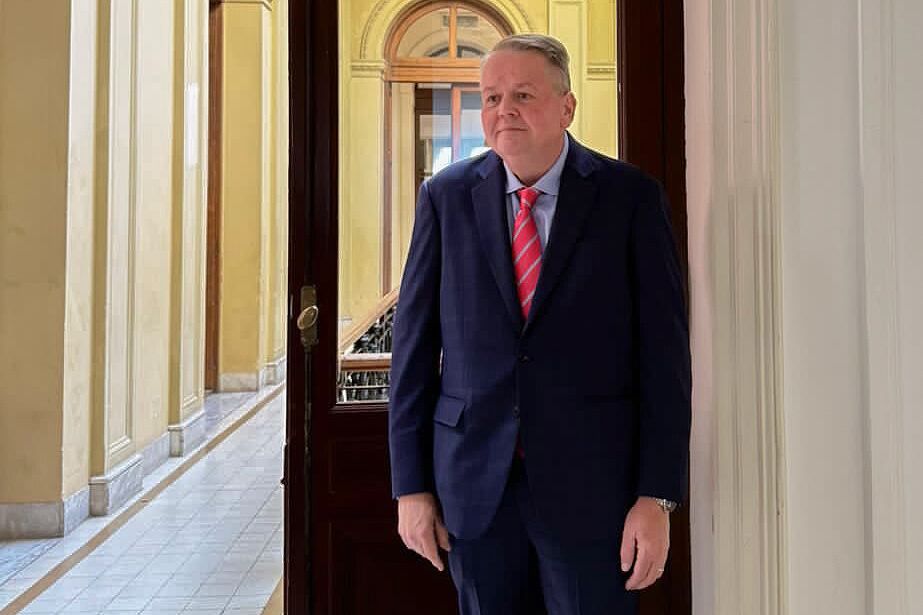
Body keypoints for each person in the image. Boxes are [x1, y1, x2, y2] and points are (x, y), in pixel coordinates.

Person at [388, 33, 691, 615]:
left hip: (593, 488)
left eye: (523, 94)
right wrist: (410, 485)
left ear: (566, 106)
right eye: (493, 97)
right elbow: (415, 352)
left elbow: (665, 361)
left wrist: (658, 496)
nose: (504, 111)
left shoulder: (629, 199)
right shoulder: (445, 198)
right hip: (473, 488)